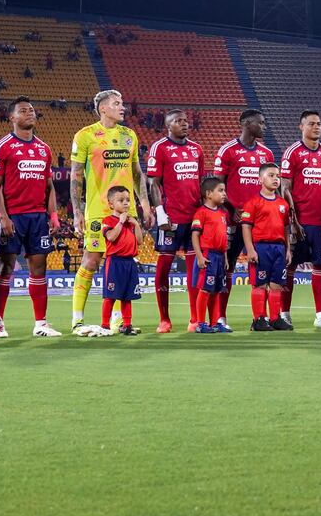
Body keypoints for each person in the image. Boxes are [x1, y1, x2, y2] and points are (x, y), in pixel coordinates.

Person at [70, 90, 153, 334]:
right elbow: (76, 176)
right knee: (92, 260)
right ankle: (78, 321)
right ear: (103, 108)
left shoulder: (129, 136)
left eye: (122, 103)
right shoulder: (85, 135)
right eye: (117, 103)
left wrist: (145, 205)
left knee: (122, 262)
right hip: (98, 211)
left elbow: (138, 174)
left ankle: (117, 321)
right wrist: (77, 211)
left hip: (127, 212)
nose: (123, 107)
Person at [0, 96, 61, 337]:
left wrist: (53, 215)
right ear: (12, 117)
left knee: (39, 269)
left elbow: (49, 185)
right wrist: (4, 217)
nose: (30, 113)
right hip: (13, 217)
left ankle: (41, 323)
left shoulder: (44, 148)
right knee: (5, 267)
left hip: (38, 218)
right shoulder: (3, 146)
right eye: (23, 111)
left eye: (31, 110)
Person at [213, 108, 273, 328]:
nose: (264, 126)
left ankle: (260, 317)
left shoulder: (266, 154)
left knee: (261, 269)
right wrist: (232, 208)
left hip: (259, 223)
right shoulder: (228, 151)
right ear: (247, 124)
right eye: (261, 123)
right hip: (232, 221)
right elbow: (217, 186)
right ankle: (220, 317)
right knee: (225, 269)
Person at [146, 108, 205, 333]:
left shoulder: (196, 149)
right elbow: (153, 183)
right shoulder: (159, 148)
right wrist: (159, 212)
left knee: (194, 270)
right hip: (170, 219)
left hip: (194, 219)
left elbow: (200, 183)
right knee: (163, 268)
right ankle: (164, 319)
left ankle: (195, 318)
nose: (184, 124)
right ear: (168, 125)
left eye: (186, 121)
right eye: (178, 121)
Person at [280, 111, 321, 326]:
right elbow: (285, 188)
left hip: (320, 222)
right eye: (311, 124)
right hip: (298, 223)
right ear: (301, 127)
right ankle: (284, 313)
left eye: (319, 124)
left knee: (320, 266)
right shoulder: (292, 153)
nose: (316, 127)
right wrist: (292, 221)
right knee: (290, 266)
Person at [241, 163, 292, 331]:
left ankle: (275, 318)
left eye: (277, 176)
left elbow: (286, 228)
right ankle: (258, 319)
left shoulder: (283, 204)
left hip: (279, 248)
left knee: (277, 284)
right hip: (260, 247)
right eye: (271, 175)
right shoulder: (253, 203)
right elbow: (246, 226)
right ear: (260, 179)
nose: (275, 179)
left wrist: (288, 249)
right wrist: (250, 249)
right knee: (260, 284)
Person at [99, 187, 143, 336]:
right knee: (110, 295)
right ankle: (104, 325)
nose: (126, 203)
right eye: (121, 200)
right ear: (111, 204)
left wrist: (136, 224)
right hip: (115, 262)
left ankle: (127, 325)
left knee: (127, 296)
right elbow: (111, 237)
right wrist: (121, 222)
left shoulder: (132, 223)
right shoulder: (107, 220)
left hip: (130, 262)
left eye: (128, 200)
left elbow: (140, 241)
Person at [190, 177, 231, 333]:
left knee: (216, 290)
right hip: (208, 254)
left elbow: (224, 237)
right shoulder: (201, 213)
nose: (224, 194)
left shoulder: (222, 213)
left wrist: (226, 257)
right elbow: (195, 235)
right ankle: (200, 323)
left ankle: (214, 323)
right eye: (220, 190)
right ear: (208, 194)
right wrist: (200, 256)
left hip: (220, 255)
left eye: (224, 190)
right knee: (206, 289)